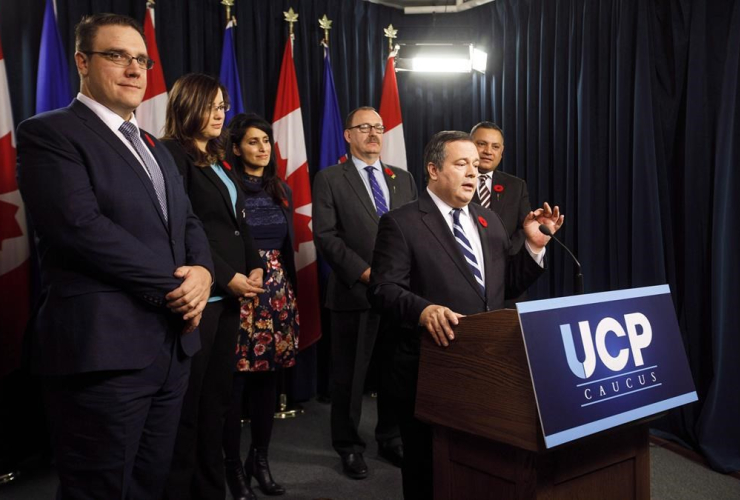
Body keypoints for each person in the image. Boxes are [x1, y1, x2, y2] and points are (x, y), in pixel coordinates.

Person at [15, 14, 214, 500]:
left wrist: (205, 273)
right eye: (117, 56)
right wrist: (178, 286)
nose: (134, 69)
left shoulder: (155, 147)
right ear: (82, 62)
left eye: (141, 59)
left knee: (149, 485)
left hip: (170, 350)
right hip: (104, 351)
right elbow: (80, 230)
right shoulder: (51, 133)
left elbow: (187, 223)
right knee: (100, 489)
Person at [367, 131, 564, 499]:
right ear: (433, 169)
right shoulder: (401, 222)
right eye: (461, 164)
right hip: (429, 366)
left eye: (475, 165)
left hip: (484, 366)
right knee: (428, 469)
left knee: (478, 465)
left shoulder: (488, 221)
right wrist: (424, 309)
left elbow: (500, 288)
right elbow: (382, 289)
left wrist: (534, 250)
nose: (473, 173)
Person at [161, 75, 265, 500]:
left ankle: (209, 489)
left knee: (218, 403)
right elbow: (185, 228)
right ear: (189, 105)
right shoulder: (171, 154)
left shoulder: (219, 160)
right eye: (212, 105)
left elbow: (238, 224)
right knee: (190, 405)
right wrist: (227, 276)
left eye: (223, 105)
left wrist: (255, 266)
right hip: (203, 297)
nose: (221, 113)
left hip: (231, 299)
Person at [312, 106, 416, 479]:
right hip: (354, 292)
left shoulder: (402, 179)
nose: (373, 133)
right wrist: (365, 271)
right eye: (364, 127)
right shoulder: (330, 179)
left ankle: (390, 438)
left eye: (378, 127)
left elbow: (417, 232)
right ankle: (348, 445)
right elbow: (325, 235)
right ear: (348, 135)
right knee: (350, 376)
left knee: (395, 372)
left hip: (400, 296)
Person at [221, 113, 300, 499]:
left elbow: (285, 248)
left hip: (277, 294)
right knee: (234, 386)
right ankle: (233, 468)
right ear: (236, 148)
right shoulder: (226, 187)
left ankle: (260, 460)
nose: (263, 148)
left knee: (268, 382)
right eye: (253, 142)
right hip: (240, 292)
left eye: (266, 141)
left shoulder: (281, 189)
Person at [471, 121, 532, 306]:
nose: (488, 151)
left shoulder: (516, 186)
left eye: (495, 146)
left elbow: (524, 228)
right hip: (468, 280)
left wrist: (501, 256)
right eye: (481, 144)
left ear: (501, 151)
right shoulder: (453, 183)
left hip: (507, 282)